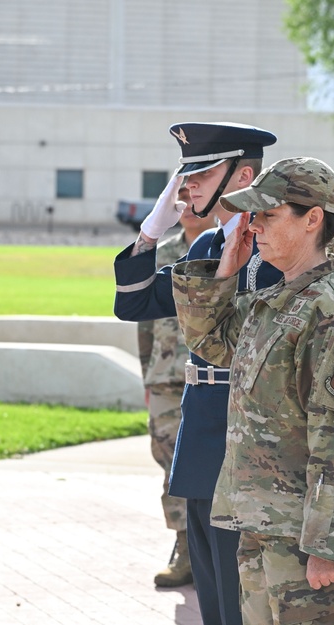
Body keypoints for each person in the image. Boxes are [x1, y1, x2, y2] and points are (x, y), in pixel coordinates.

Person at [172, 156, 334, 625]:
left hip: (309, 543)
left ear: (312, 219)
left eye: (267, 216)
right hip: (264, 525)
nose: (253, 227)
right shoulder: (275, 303)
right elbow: (209, 340)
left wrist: (328, 544)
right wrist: (226, 267)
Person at [114, 121, 282, 625]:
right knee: (214, 601)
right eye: (184, 174)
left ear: (244, 175)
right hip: (205, 439)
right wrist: (149, 234)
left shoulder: (276, 249)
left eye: (201, 172)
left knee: (248, 608)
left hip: (251, 446)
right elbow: (134, 302)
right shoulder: (209, 242)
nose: (186, 185)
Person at [136, 186, 215, 587]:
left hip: (211, 376)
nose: (186, 207)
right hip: (166, 376)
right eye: (179, 200)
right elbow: (145, 322)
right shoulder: (163, 254)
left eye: (193, 198)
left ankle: (213, 548)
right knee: (170, 461)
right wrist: (145, 373)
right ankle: (184, 547)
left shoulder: (223, 250)